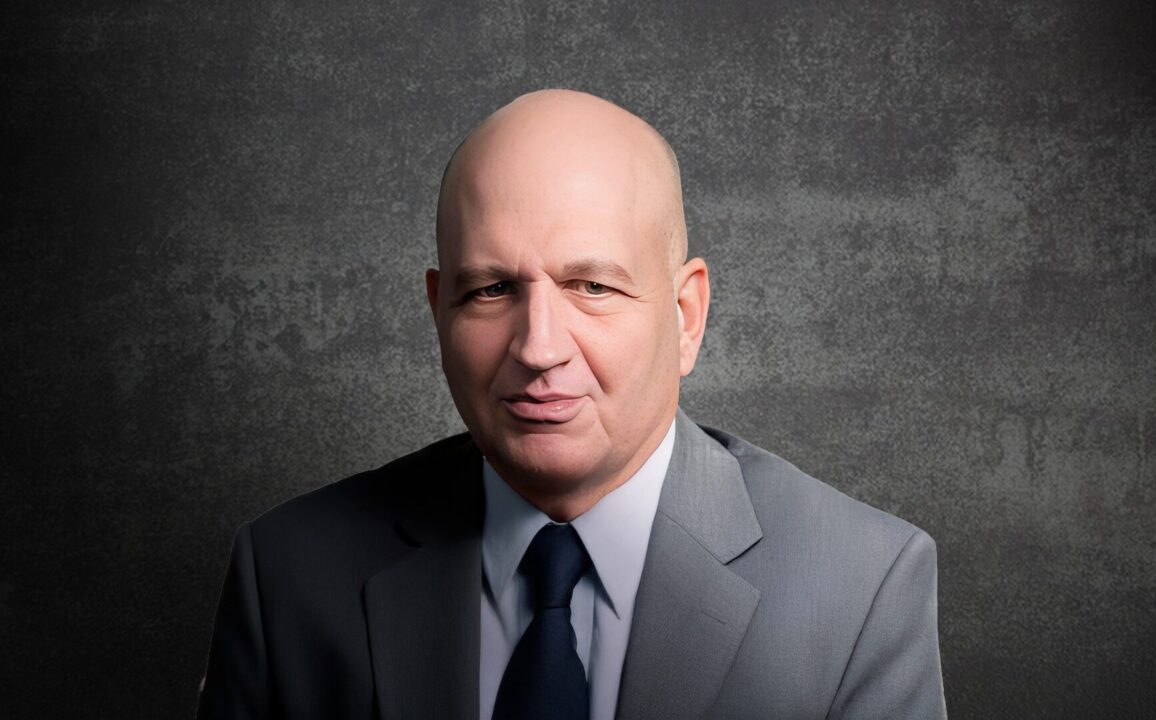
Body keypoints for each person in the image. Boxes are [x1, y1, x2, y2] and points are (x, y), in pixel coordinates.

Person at [196, 88, 946, 719]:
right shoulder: (287, 574)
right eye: (491, 289)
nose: (539, 347)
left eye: (592, 286)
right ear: (438, 310)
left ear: (686, 316)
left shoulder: (863, 588)